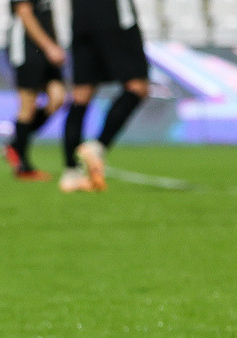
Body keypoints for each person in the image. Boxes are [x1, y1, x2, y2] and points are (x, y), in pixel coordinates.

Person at [59, 0, 149, 193]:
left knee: (81, 94)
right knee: (137, 87)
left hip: (82, 18)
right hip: (114, 15)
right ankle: (98, 146)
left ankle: (71, 172)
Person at [2, 0, 66, 181]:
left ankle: (16, 144)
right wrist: (50, 47)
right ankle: (23, 166)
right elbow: (25, 13)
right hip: (26, 48)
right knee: (27, 105)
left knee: (58, 97)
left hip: (45, 48)